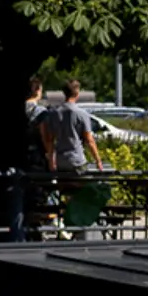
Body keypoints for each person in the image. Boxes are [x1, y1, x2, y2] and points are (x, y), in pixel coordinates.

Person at [27, 76, 114, 234]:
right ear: (77, 93)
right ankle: (80, 221)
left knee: (65, 191)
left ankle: (70, 219)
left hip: (60, 162)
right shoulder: (81, 113)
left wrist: (52, 160)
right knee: (94, 189)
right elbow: (89, 140)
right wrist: (98, 160)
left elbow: (50, 139)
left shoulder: (54, 113)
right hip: (76, 161)